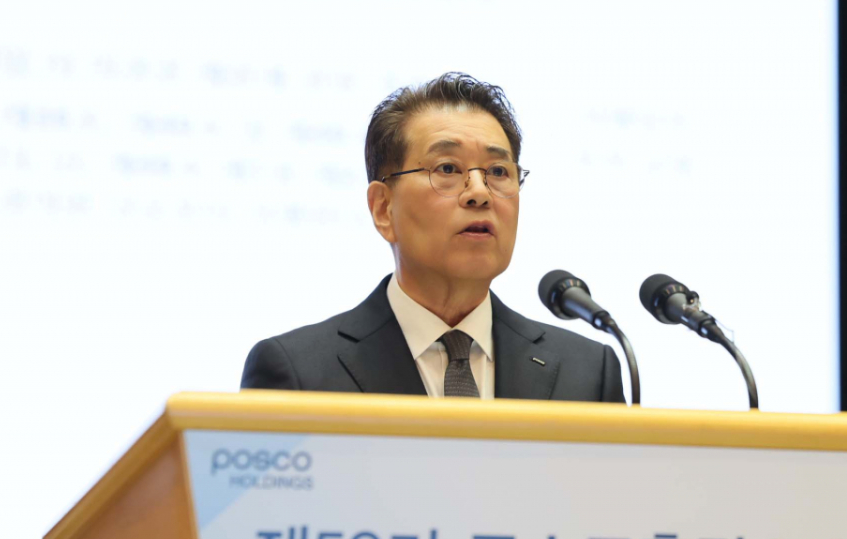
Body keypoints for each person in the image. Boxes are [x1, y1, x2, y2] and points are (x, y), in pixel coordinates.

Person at [240, 72, 624, 403]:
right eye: (448, 168)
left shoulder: (588, 373)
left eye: (498, 171)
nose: (480, 193)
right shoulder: (299, 374)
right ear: (383, 208)